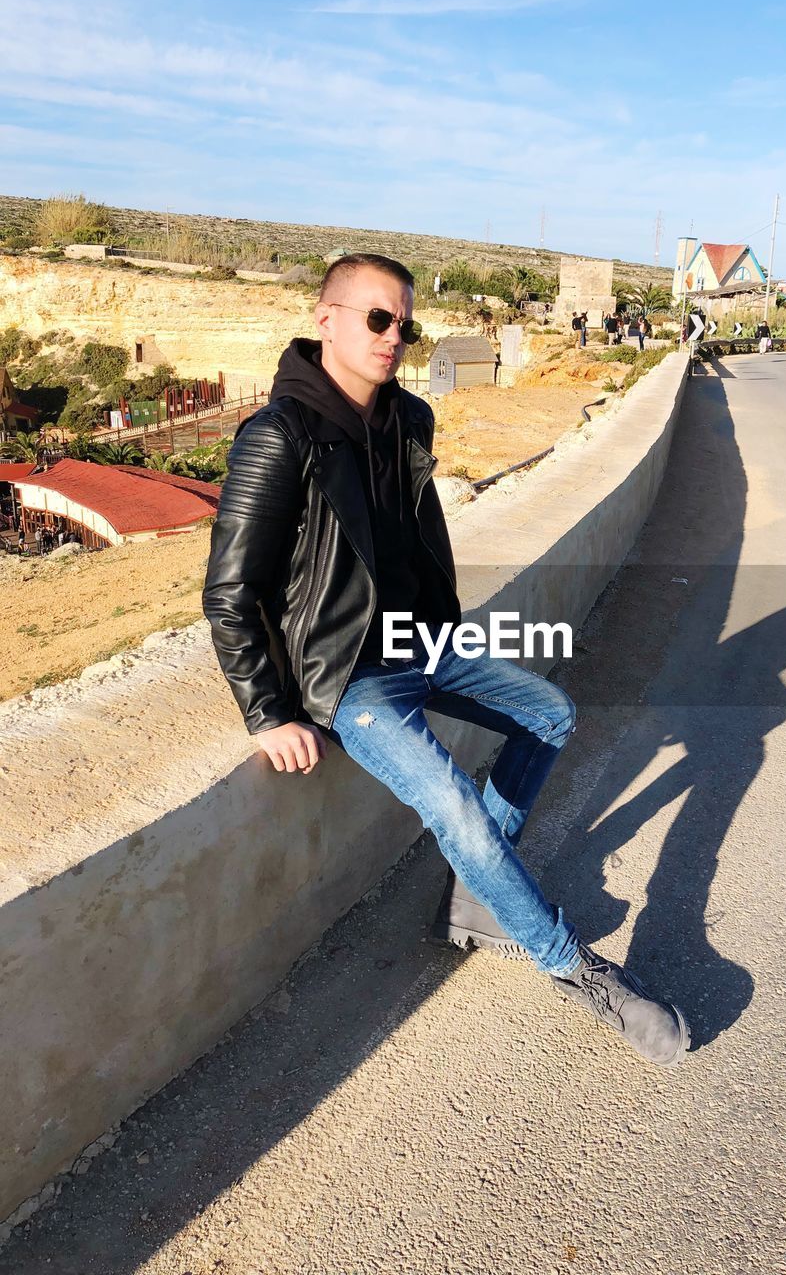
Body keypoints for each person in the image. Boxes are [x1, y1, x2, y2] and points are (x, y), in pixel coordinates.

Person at [203, 252, 688, 1066]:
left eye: (405, 323)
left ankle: (477, 892)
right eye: (377, 319)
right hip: (345, 673)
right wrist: (267, 710)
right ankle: (577, 970)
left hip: (418, 642)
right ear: (326, 320)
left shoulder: (408, 420)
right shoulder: (278, 437)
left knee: (551, 713)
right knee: (455, 805)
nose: (393, 337)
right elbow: (229, 591)